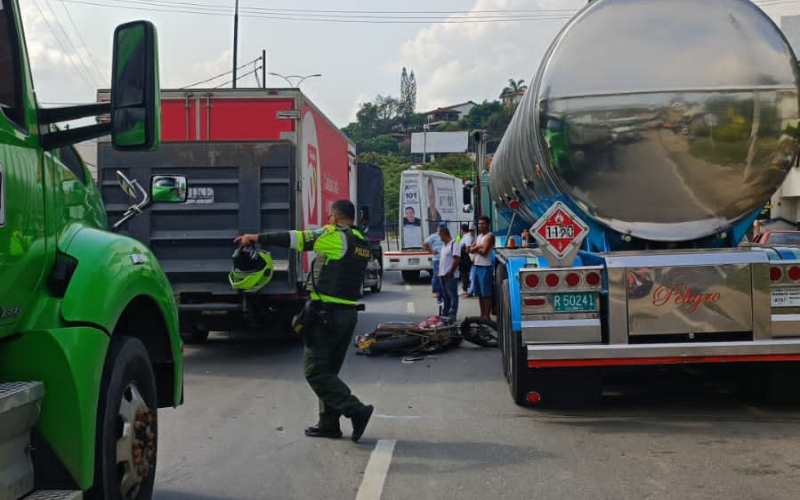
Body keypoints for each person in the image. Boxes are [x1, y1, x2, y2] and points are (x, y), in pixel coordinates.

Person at [234, 199, 374, 442]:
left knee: (314, 372)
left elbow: (295, 238)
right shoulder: (361, 241)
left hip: (325, 313)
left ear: (333, 217)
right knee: (328, 370)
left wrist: (256, 238)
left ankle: (355, 409)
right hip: (348, 313)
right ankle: (328, 424)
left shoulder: (333, 235)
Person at [469, 216, 495, 320]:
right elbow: (470, 249)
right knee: (479, 293)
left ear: (488, 224)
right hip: (476, 266)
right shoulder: (479, 236)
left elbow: (484, 252)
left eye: (483, 223)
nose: (481, 226)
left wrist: (476, 248)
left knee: (486, 294)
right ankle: (482, 315)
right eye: (479, 224)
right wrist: (479, 246)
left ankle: (487, 316)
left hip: (485, 268)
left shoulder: (489, 236)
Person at [438, 225, 461, 323]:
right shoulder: (444, 246)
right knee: (445, 296)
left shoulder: (454, 244)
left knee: (452, 296)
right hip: (442, 275)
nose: (439, 237)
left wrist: (451, 271)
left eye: (440, 235)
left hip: (450, 275)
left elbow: (457, 259)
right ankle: (445, 314)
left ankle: (452, 315)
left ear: (444, 234)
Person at [423, 222, 446, 302]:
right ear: (438, 228)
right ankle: (435, 291)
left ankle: (443, 291)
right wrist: (432, 251)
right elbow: (425, 243)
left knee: (444, 275)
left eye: (443, 227)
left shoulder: (446, 236)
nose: (441, 229)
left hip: (445, 259)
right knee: (436, 275)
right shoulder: (434, 236)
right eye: (440, 228)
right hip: (437, 259)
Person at [459, 223, 475, 295]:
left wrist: (463, 251)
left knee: (464, 273)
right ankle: (465, 287)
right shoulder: (465, 236)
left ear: (462, 230)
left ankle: (465, 289)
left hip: (466, 257)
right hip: (463, 257)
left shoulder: (467, 237)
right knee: (464, 273)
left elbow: (468, 249)